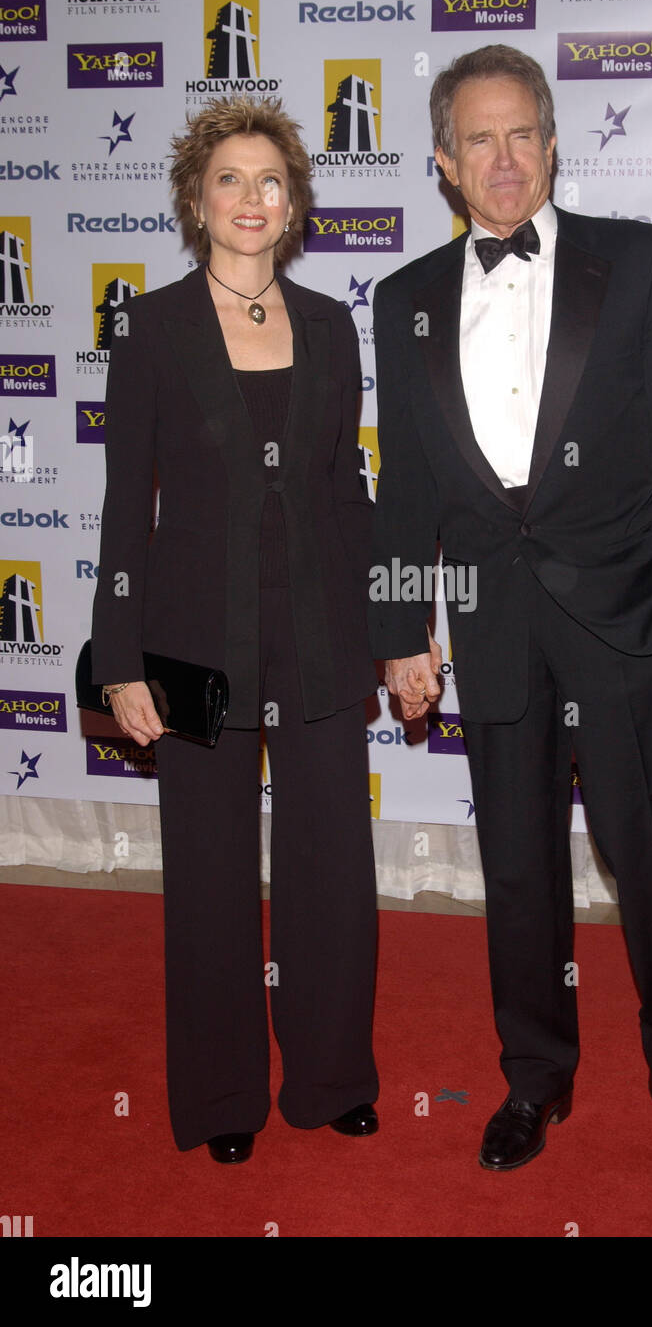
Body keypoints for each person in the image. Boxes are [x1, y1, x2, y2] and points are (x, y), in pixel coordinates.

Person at [369, 46, 652, 1181]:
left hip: (632, 625)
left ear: (553, 141)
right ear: (443, 160)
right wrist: (397, 626)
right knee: (518, 871)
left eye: (521, 132)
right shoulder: (407, 300)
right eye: (478, 139)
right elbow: (409, 489)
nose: (503, 158)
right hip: (496, 633)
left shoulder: (640, 262)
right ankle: (534, 1078)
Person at [90, 96, 379, 1161]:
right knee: (207, 878)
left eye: (269, 180)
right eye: (229, 180)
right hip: (192, 644)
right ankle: (221, 1100)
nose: (251, 199)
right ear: (195, 200)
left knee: (331, 870)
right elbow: (129, 506)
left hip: (316, 633)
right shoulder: (153, 329)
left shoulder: (331, 326)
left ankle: (333, 1075)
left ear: (292, 202)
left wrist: (388, 625)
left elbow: (348, 492)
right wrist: (119, 661)